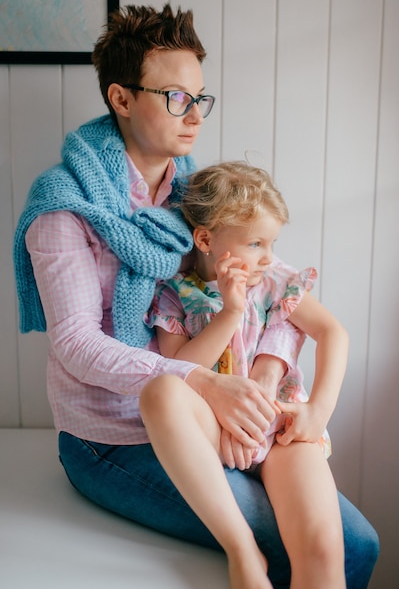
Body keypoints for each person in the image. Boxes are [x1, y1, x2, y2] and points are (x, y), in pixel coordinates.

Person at [13, 4, 379, 588]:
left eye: (200, 98)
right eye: (175, 97)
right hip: (112, 435)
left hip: (209, 412)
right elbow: (78, 345)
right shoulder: (66, 208)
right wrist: (204, 383)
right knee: (339, 548)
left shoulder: (193, 193)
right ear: (122, 98)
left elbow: (269, 283)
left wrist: (260, 379)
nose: (194, 116)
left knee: (354, 543)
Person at [143, 161, 345, 587]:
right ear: (205, 239)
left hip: (281, 431)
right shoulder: (176, 295)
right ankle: (242, 550)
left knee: (323, 547)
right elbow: (183, 369)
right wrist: (230, 311)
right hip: (218, 433)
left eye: (271, 242)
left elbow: (332, 333)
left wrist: (319, 411)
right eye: (256, 243)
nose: (268, 256)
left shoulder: (273, 281)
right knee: (161, 391)